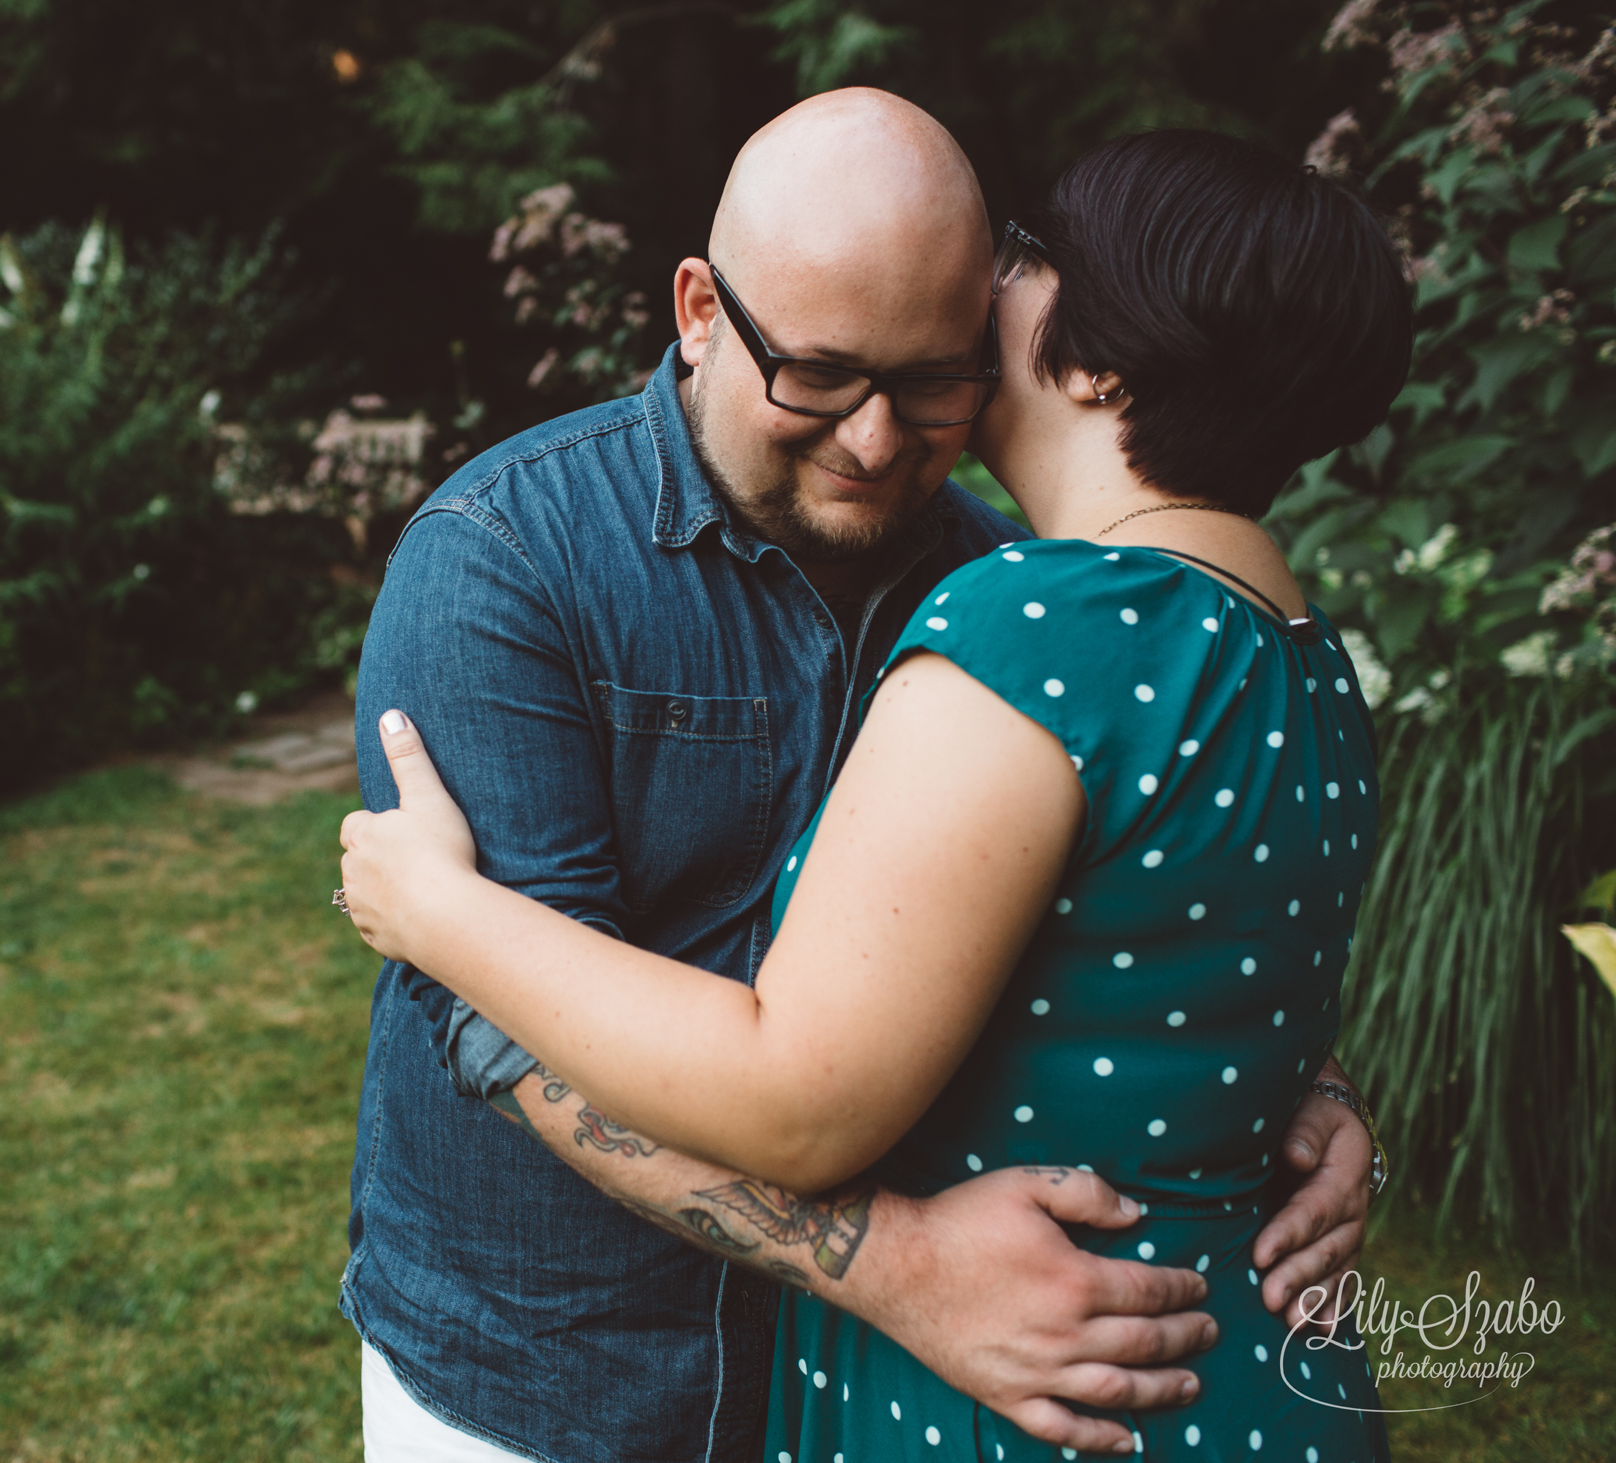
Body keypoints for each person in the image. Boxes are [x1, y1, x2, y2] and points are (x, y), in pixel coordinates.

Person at [338, 121, 1411, 1462]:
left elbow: (1054, 961)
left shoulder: (1026, 603)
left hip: (1024, 1363)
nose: (875, 436)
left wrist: (1285, 1093)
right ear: (696, 313)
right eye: (820, 376)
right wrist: (903, 1265)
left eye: (931, 377)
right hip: (568, 1370)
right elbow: (504, 1029)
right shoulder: (506, 555)